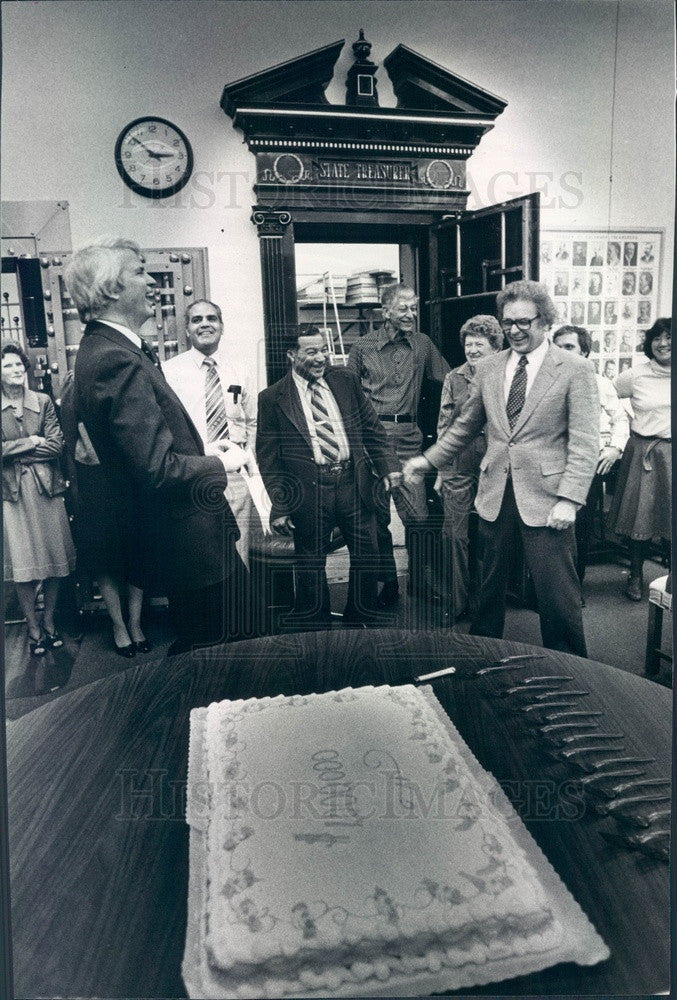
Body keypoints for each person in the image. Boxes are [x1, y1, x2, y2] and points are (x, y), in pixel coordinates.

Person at [65, 238, 253, 654]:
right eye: (138, 271)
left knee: (212, 651)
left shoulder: (107, 350)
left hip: (190, 543)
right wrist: (218, 461)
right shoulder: (116, 359)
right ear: (111, 288)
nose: (150, 281)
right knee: (227, 655)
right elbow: (157, 468)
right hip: (193, 545)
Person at [403, 280, 599, 657]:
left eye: (524, 322)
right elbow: (464, 426)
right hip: (494, 492)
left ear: (545, 321)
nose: (515, 330)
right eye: (508, 322)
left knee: (556, 593)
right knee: (488, 587)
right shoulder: (491, 367)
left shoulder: (575, 369)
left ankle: (571, 664)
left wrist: (570, 499)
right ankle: (483, 654)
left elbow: (585, 441)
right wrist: (427, 461)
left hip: (548, 499)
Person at [257, 324, 400, 628]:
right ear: (291, 355)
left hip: (352, 481)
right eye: (311, 352)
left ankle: (360, 620)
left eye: (323, 349)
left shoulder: (345, 381)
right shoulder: (272, 398)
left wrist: (388, 467)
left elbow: (372, 428)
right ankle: (316, 626)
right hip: (310, 490)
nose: (321, 357)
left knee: (367, 552)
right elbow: (269, 459)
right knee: (310, 562)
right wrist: (280, 505)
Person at [347, 284, 449, 607]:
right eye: (404, 308)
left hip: (408, 437)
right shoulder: (362, 347)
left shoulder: (422, 344)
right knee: (377, 520)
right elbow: (347, 394)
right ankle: (389, 583)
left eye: (414, 308)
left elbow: (450, 379)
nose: (411, 314)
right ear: (386, 310)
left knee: (418, 517)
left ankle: (419, 582)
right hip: (371, 440)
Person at [60, 370, 150, 657]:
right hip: (93, 482)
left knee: (138, 553)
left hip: (131, 477)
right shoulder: (74, 385)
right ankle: (118, 626)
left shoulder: (125, 378)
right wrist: (75, 494)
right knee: (104, 556)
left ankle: (136, 624)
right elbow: (70, 440)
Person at [163, 299, 257, 568]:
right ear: (187, 330)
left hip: (234, 479)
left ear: (222, 326)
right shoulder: (169, 372)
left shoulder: (241, 369)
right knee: (197, 560)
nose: (205, 323)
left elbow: (252, 422)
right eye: (196, 319)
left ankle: (237, 609)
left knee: (239, 557)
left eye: (211, 318)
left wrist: (250, 470)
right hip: (193, 476)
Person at [2, 342, 76, 655]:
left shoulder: (43, 401)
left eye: (19, 365)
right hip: (12, 494)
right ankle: (33, 628)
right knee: (24, 566)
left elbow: (57, 445)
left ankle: (49, 622)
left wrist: (15, 451)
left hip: (47, 489)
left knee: (54, 560)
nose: (15, 370)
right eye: (8, 366)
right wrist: (32, 441)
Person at [434, 315, 503, 620]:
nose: (472, 349)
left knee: (491, 535)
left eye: (480, 344)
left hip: (496, 463)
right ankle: (456, 603)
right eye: (469, 343)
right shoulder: (454, 378)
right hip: (458, 463)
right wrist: (439, 468)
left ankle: (486, 604)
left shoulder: (507, 374)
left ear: (494, 347)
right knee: (454, 535)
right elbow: (444, 424)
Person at [551, 325, 629, 592]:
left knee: (579, 529)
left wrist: (615, 449)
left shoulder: (599, 383)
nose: (562, 352)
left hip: (584, 466)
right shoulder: (544, 380)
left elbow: (620, 419)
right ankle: (547, 591)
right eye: (557, 346)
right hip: (549, 465)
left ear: (584, 352)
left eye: (569, 347)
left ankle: (573, 589)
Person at [606, 318, 671, 601]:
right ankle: (635, 575)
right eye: (657, 338)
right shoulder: (635, 375)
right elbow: (605, 396)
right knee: (640, 520)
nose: (663, 343)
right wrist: (618, 429)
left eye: (669, 337)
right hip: (645, 453)